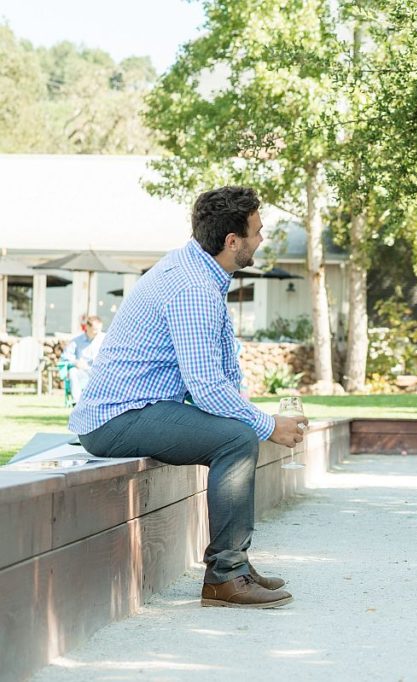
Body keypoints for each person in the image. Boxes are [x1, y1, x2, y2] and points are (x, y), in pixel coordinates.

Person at [69, 186, 308, 609]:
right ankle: (224, 577)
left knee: (236, 430)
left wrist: (248, 409)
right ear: (232, 241)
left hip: (143, 407)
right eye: (257, 231)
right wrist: (268, 425)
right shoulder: (193, 287)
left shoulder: (196, 270)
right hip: (118, 417)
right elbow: (206, 387)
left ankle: (236, 565)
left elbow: (220, 372)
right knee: (237, 440)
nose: (261, 238)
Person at [60, 315, 105, 404]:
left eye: (99, 329)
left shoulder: (105, 339)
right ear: (87, 327)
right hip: (82, 372)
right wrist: (75, 362)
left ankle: (102, 402)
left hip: (99, 371)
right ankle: (78, 403)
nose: (97, 332)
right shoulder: (76, 341)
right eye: (95, 329)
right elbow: (65, 356)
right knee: (72, 371)